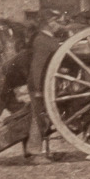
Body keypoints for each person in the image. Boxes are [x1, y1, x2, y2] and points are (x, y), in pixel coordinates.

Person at [24, 11, 66, 160]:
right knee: (38, 118)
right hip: (40, 87)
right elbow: (37, 67)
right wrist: (38, 90)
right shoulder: (42, 41)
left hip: (45, 85)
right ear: (50, 23)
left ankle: (40, 151)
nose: (59, 26)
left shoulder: (47, 39)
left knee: (43, 118)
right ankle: (34, 153)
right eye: (58, 22)